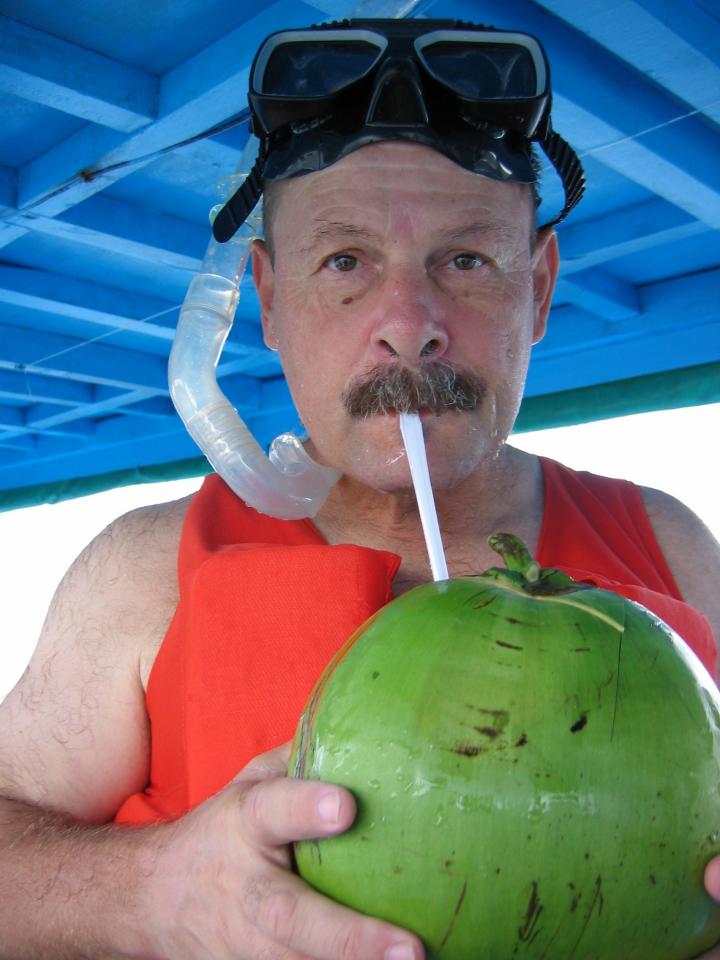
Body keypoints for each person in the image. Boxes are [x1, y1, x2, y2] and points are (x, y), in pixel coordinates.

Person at [1, 18, 719, 960]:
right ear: (266, 298)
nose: (409, 326)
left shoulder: (666, 543)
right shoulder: (145, 571)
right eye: (345, 262)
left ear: (538, 289)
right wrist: (150, 890)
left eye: (466, 260)